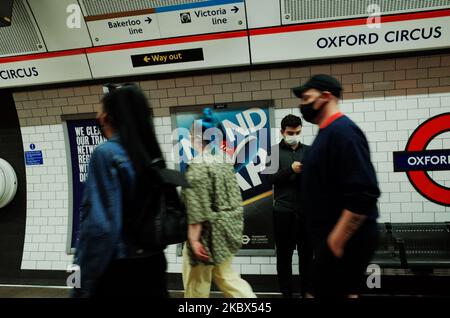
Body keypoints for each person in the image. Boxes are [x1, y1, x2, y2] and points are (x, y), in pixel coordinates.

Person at [73, 84, 168, 298]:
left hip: (119, 269)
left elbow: (99, 230)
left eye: (99, 109)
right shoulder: (151, 154)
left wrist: (79, 285)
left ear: (107, 117)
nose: (97, 115)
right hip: (154, 263)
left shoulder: (105, 154)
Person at [293, 74, 380, 299]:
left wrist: (336, 241)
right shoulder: (327, 132)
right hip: (331, 239)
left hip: (343, 240)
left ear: (325, 96)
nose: (302, 104)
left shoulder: (344, 132)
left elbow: (364, 192)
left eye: (306, 98)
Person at [181, 108, 256, 298]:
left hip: (206, 236)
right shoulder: (223, 161)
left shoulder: (198, 166)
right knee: (228, 279)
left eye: (191, 134)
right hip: (226, 231)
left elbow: (197, 210)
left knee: (196, 284)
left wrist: (194, 240)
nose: (189, 137)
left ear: (196, 137)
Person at [269, 114, 313, 298]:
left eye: (297, 132)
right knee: (284, 258)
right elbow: (269, 179)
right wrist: (290, 170)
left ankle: (307, 293)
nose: (294, 135)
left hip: (306, 212)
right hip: (283, 212)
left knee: (307, 258)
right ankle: (286, 294)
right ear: (282, 132)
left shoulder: (310, 151)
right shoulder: (273, 152)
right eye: (290, 132)